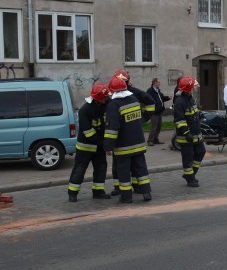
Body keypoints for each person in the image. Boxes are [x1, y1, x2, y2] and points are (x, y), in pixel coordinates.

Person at [104, 75, 152, 203]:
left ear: (112, 90)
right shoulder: (134, 99)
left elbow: (112, 129)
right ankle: (146, 192)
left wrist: (108, 147)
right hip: (139, 143)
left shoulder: (113, 105)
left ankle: (126, 197)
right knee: (141, 168)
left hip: (123, 146)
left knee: (124, 171)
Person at [67, 83, 112, 202]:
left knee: (101, 168)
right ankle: (73, 193)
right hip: (85, 147)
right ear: (98, 98)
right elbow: (88, 132)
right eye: (105, 97)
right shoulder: (85, 110)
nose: (106, 99)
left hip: (99, 146)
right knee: (80, 169)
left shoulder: (104, 105)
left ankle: (98, 192)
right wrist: (103, 143)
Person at [173, 76, 205, 187]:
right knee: (187, 158)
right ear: (187, 88)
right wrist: (187, 133)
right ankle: (190, 179)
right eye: (192, 87)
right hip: (186, 136)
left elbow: (194, 113)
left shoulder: (190, 98)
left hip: (196, 133)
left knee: (201, 152)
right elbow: (179, 120)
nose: (193, 89)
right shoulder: (179, 102)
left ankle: (191, 174)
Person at [146, 77, 170, 145]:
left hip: (160, 112)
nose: (159, 83)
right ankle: (150, 140)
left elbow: (161, 98)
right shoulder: (150, 91)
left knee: (159, 127)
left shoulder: (158, 90)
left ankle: (155, 139)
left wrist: (168, 98)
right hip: (154, 112)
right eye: (158, 82)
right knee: (154, 127)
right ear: (154, 83)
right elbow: (147, 100)